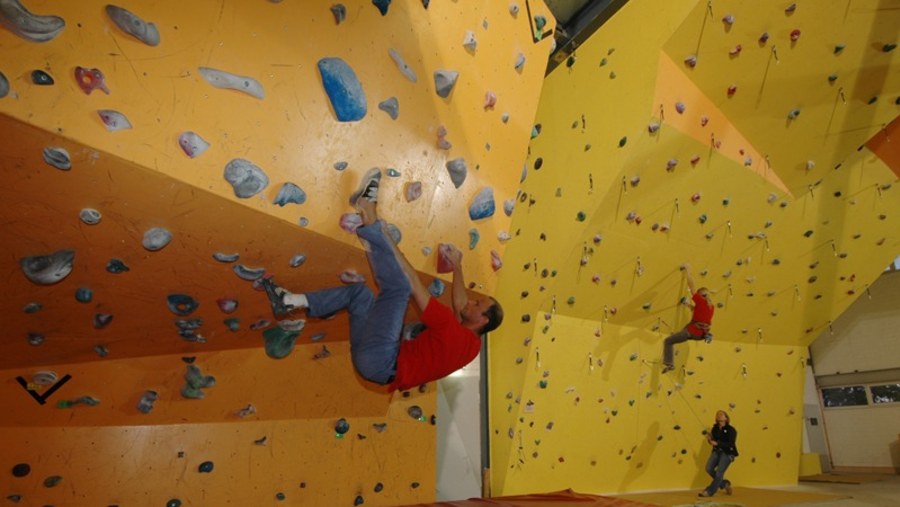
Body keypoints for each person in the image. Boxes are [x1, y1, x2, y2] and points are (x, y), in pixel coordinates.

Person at [260, 168, 503, 391]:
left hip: (383, 359)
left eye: (476, 305)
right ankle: (290, 301)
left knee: (398, 288)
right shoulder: (472, 347)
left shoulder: (452, 330)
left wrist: (386, 237)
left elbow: (412, 282)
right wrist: (457, 267)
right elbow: (461, 305)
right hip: (373, 365)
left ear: (482, 319)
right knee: (360, 295)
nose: (469, 303)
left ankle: (369, 212)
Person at [661, 263, 714, 373]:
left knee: (668, 341)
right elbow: (697, 312)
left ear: (700, 296)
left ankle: (669, 363)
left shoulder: (700, 301)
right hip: (701, 335)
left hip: (692, 332)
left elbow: (691, 285)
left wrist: (687, 271)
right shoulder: (711, 306)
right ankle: (670, 361)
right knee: (678, 334)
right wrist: (687, 304)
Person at [699, 410, 738, 497]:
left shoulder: (731, 430)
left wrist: (717, 443)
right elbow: (713, 441)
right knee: (708, 468)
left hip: (728, 453)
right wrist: (709, 439)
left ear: (726, 418)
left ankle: (709, 491)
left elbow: (731, 444)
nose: (719, 416)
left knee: (719, 472)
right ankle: (724, 484)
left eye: (721, 414)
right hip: (717, 451)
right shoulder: (715, 429)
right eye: (717, 415)